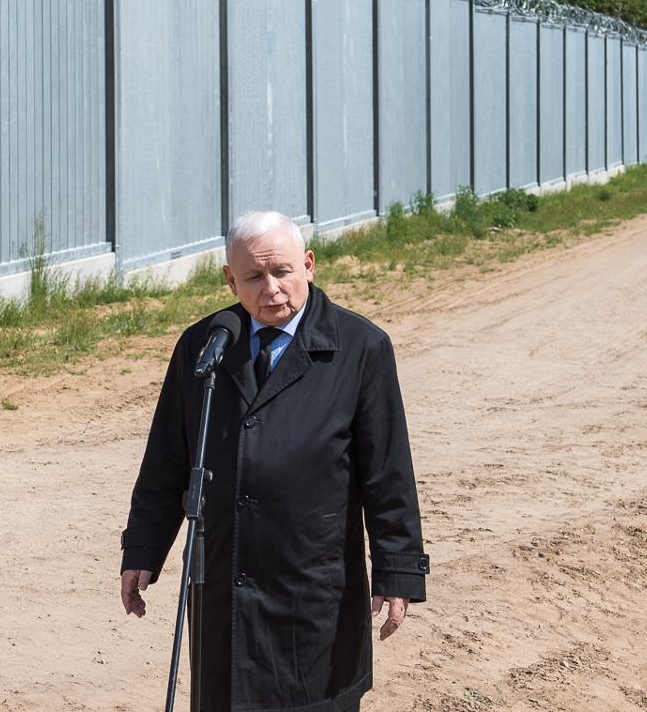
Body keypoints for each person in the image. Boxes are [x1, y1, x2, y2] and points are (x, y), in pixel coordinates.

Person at [119, 210, 429, 712]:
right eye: (254, 277)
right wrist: (143, 548)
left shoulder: (360, 348)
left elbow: (388, 473)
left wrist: (398, 570)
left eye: (282, 271)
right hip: (223, 589)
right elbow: (168, 461)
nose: (271, 289)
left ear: (308, 265)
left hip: (314, 592)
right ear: (230, 280)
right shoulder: (205, 346)